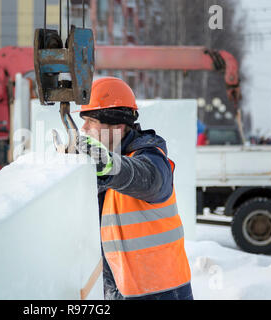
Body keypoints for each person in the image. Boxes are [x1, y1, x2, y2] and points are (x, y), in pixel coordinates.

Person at [74, 77, 193, 300]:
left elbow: (150, 179)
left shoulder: (149, 156)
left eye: (90, 121)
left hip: (162, 292)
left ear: (117, 126)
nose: (84, 128)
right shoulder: (103, 164)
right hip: (122, 290)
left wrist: (106, 164)